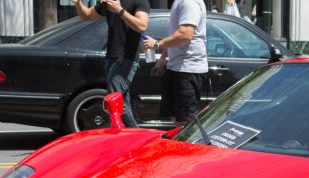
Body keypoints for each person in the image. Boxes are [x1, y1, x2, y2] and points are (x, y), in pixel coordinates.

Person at [73, 0, 150, 128]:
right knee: (121, 101)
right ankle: (129, 138)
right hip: (111, 57)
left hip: (127, 58)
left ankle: (135, 135)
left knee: (114, 101)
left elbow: (142, 26)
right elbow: (87, 15)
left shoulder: (139, 1)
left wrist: (119, 10)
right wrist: (78, 4)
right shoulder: (109, 2)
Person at [143, 0, 208, 127]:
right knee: (175, 117)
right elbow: (176, 35)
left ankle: (187, 146)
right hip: (176, 67)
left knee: (186, 122)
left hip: (188, 69)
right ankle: (180, 144)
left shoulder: (189, 2)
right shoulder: (179, 2)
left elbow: (185, 34)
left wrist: (157, 44)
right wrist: (163, 58)